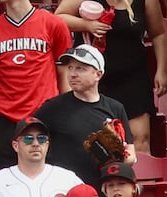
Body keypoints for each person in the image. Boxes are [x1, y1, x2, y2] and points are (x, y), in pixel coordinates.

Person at [32, 45, 135, 186]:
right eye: (70, 68)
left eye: (81, 68)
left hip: (104, 191)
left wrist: (114, 158)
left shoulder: (115, 108)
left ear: (98, 74)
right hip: (64, 192)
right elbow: (29, 140)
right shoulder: (53, 108)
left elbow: (131, 155)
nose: (73, 74)